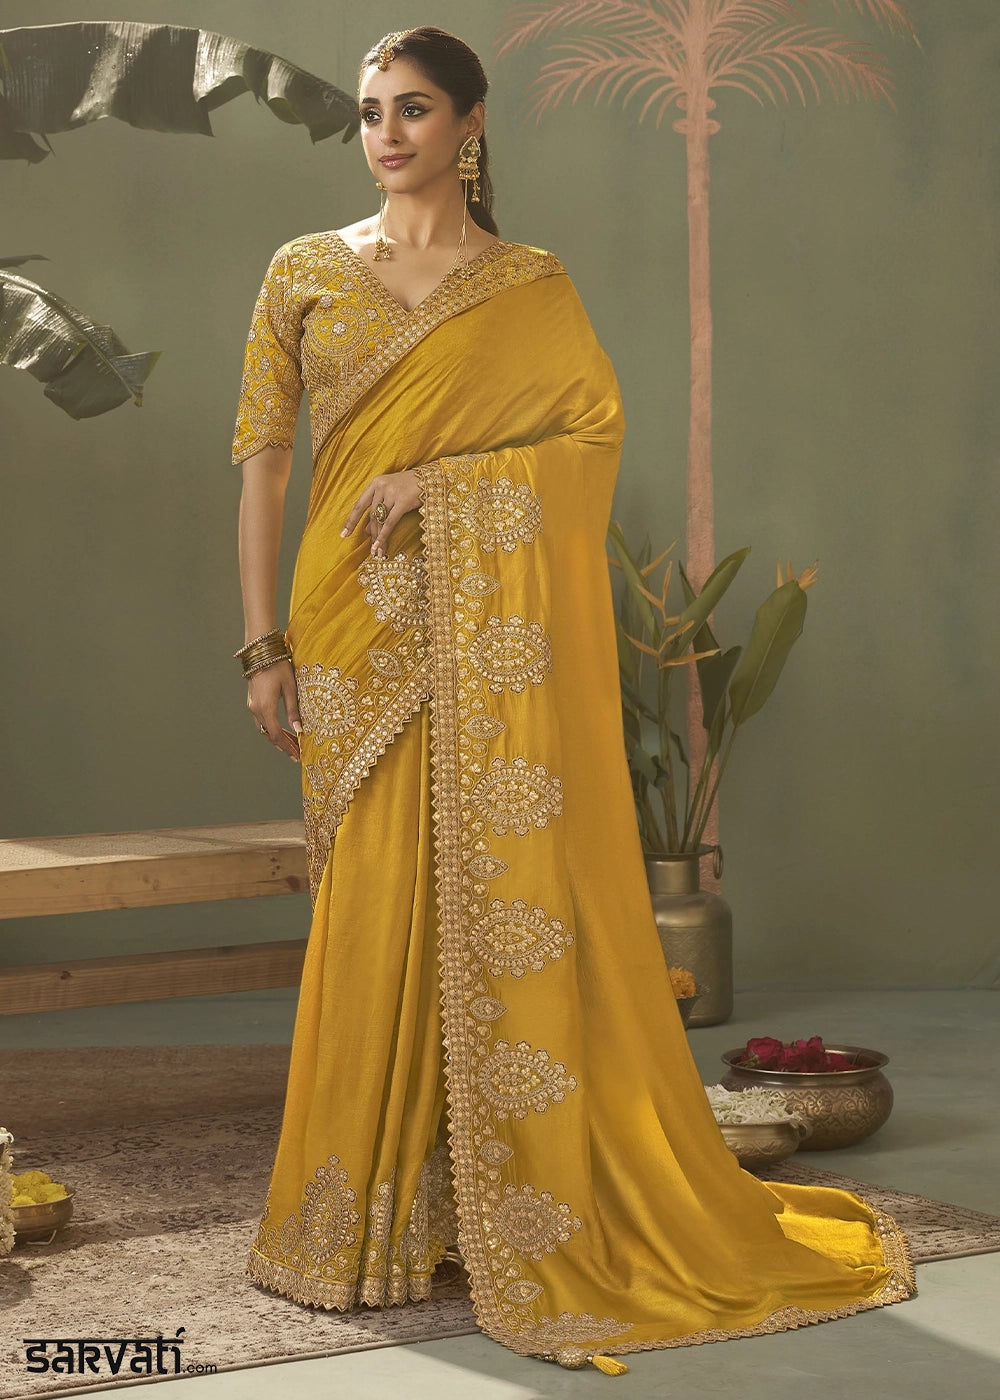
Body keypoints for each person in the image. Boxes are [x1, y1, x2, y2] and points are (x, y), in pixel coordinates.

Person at [231, 25, 914, 1376]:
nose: (386, 134)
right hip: (348, 625)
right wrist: (264, 646)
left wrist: (442, 485)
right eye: (370, 112)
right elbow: (260, 462)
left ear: (470, 123)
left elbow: (587, 439)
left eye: (413, 109)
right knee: (371, 903)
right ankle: (362, 1221)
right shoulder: (301, 271)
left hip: (483, 635)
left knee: (485, 893)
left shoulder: (529, 284)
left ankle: (490, 1206)